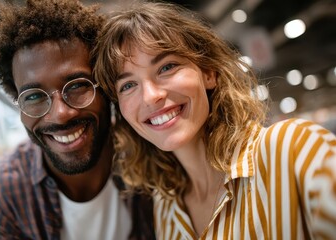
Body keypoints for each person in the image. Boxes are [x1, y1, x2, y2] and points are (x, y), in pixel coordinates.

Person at [92, 2, 336, 239]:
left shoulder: (295, 149)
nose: (151, 96)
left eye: (167, 67)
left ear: (208, 73)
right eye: (128, 85)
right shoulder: (165, 208)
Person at [0, 1, 155, 239]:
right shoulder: (0, 193)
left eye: (78, 85)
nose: (60, 113)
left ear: (107, 88)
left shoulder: (152, 158)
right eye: (34, 96)